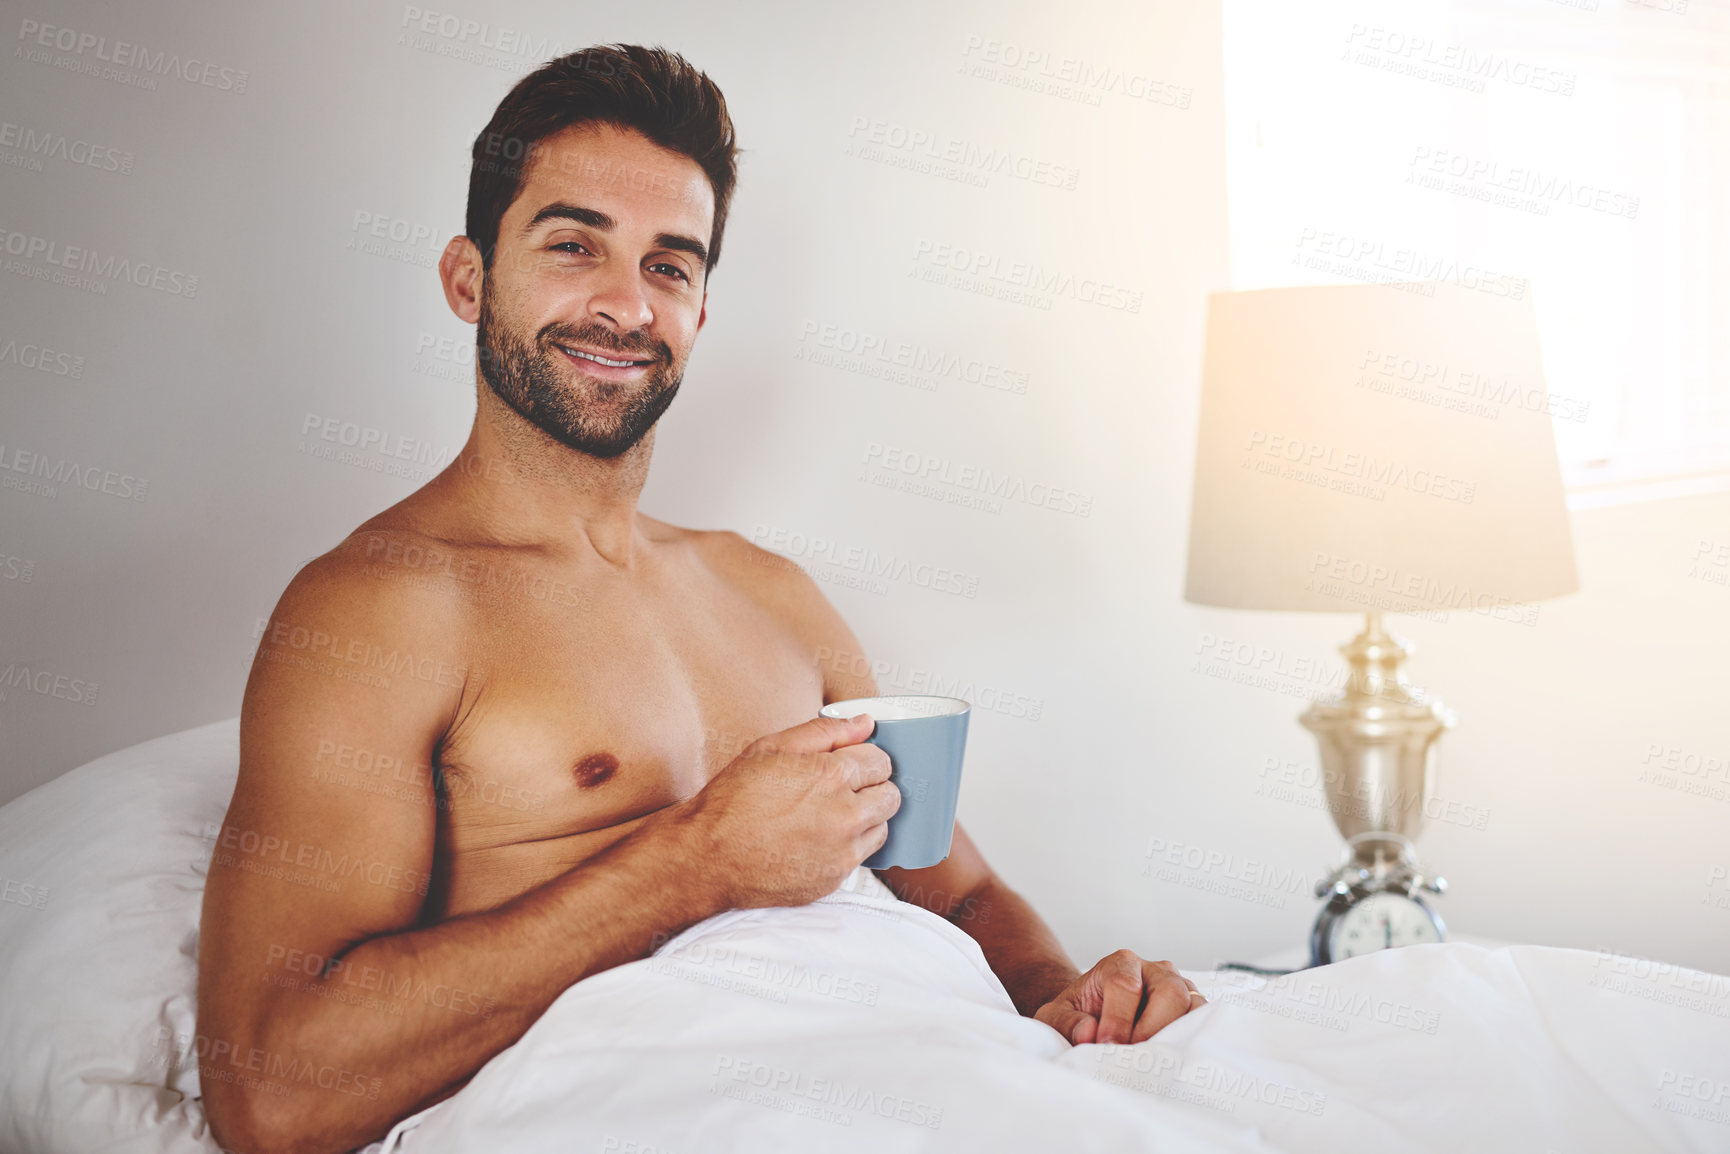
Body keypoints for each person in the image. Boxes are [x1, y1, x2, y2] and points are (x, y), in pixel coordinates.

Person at [196, 44, 1202, 1154]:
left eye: (671, 265)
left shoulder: (770, 592)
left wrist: (1067, 996)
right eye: (574, 245)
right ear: (468, 277)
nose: (626, 304)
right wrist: (696, 860)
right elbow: (271, 1092)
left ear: (703, 311)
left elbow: (957, 894)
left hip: (949, 1078)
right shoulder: (377, 611)